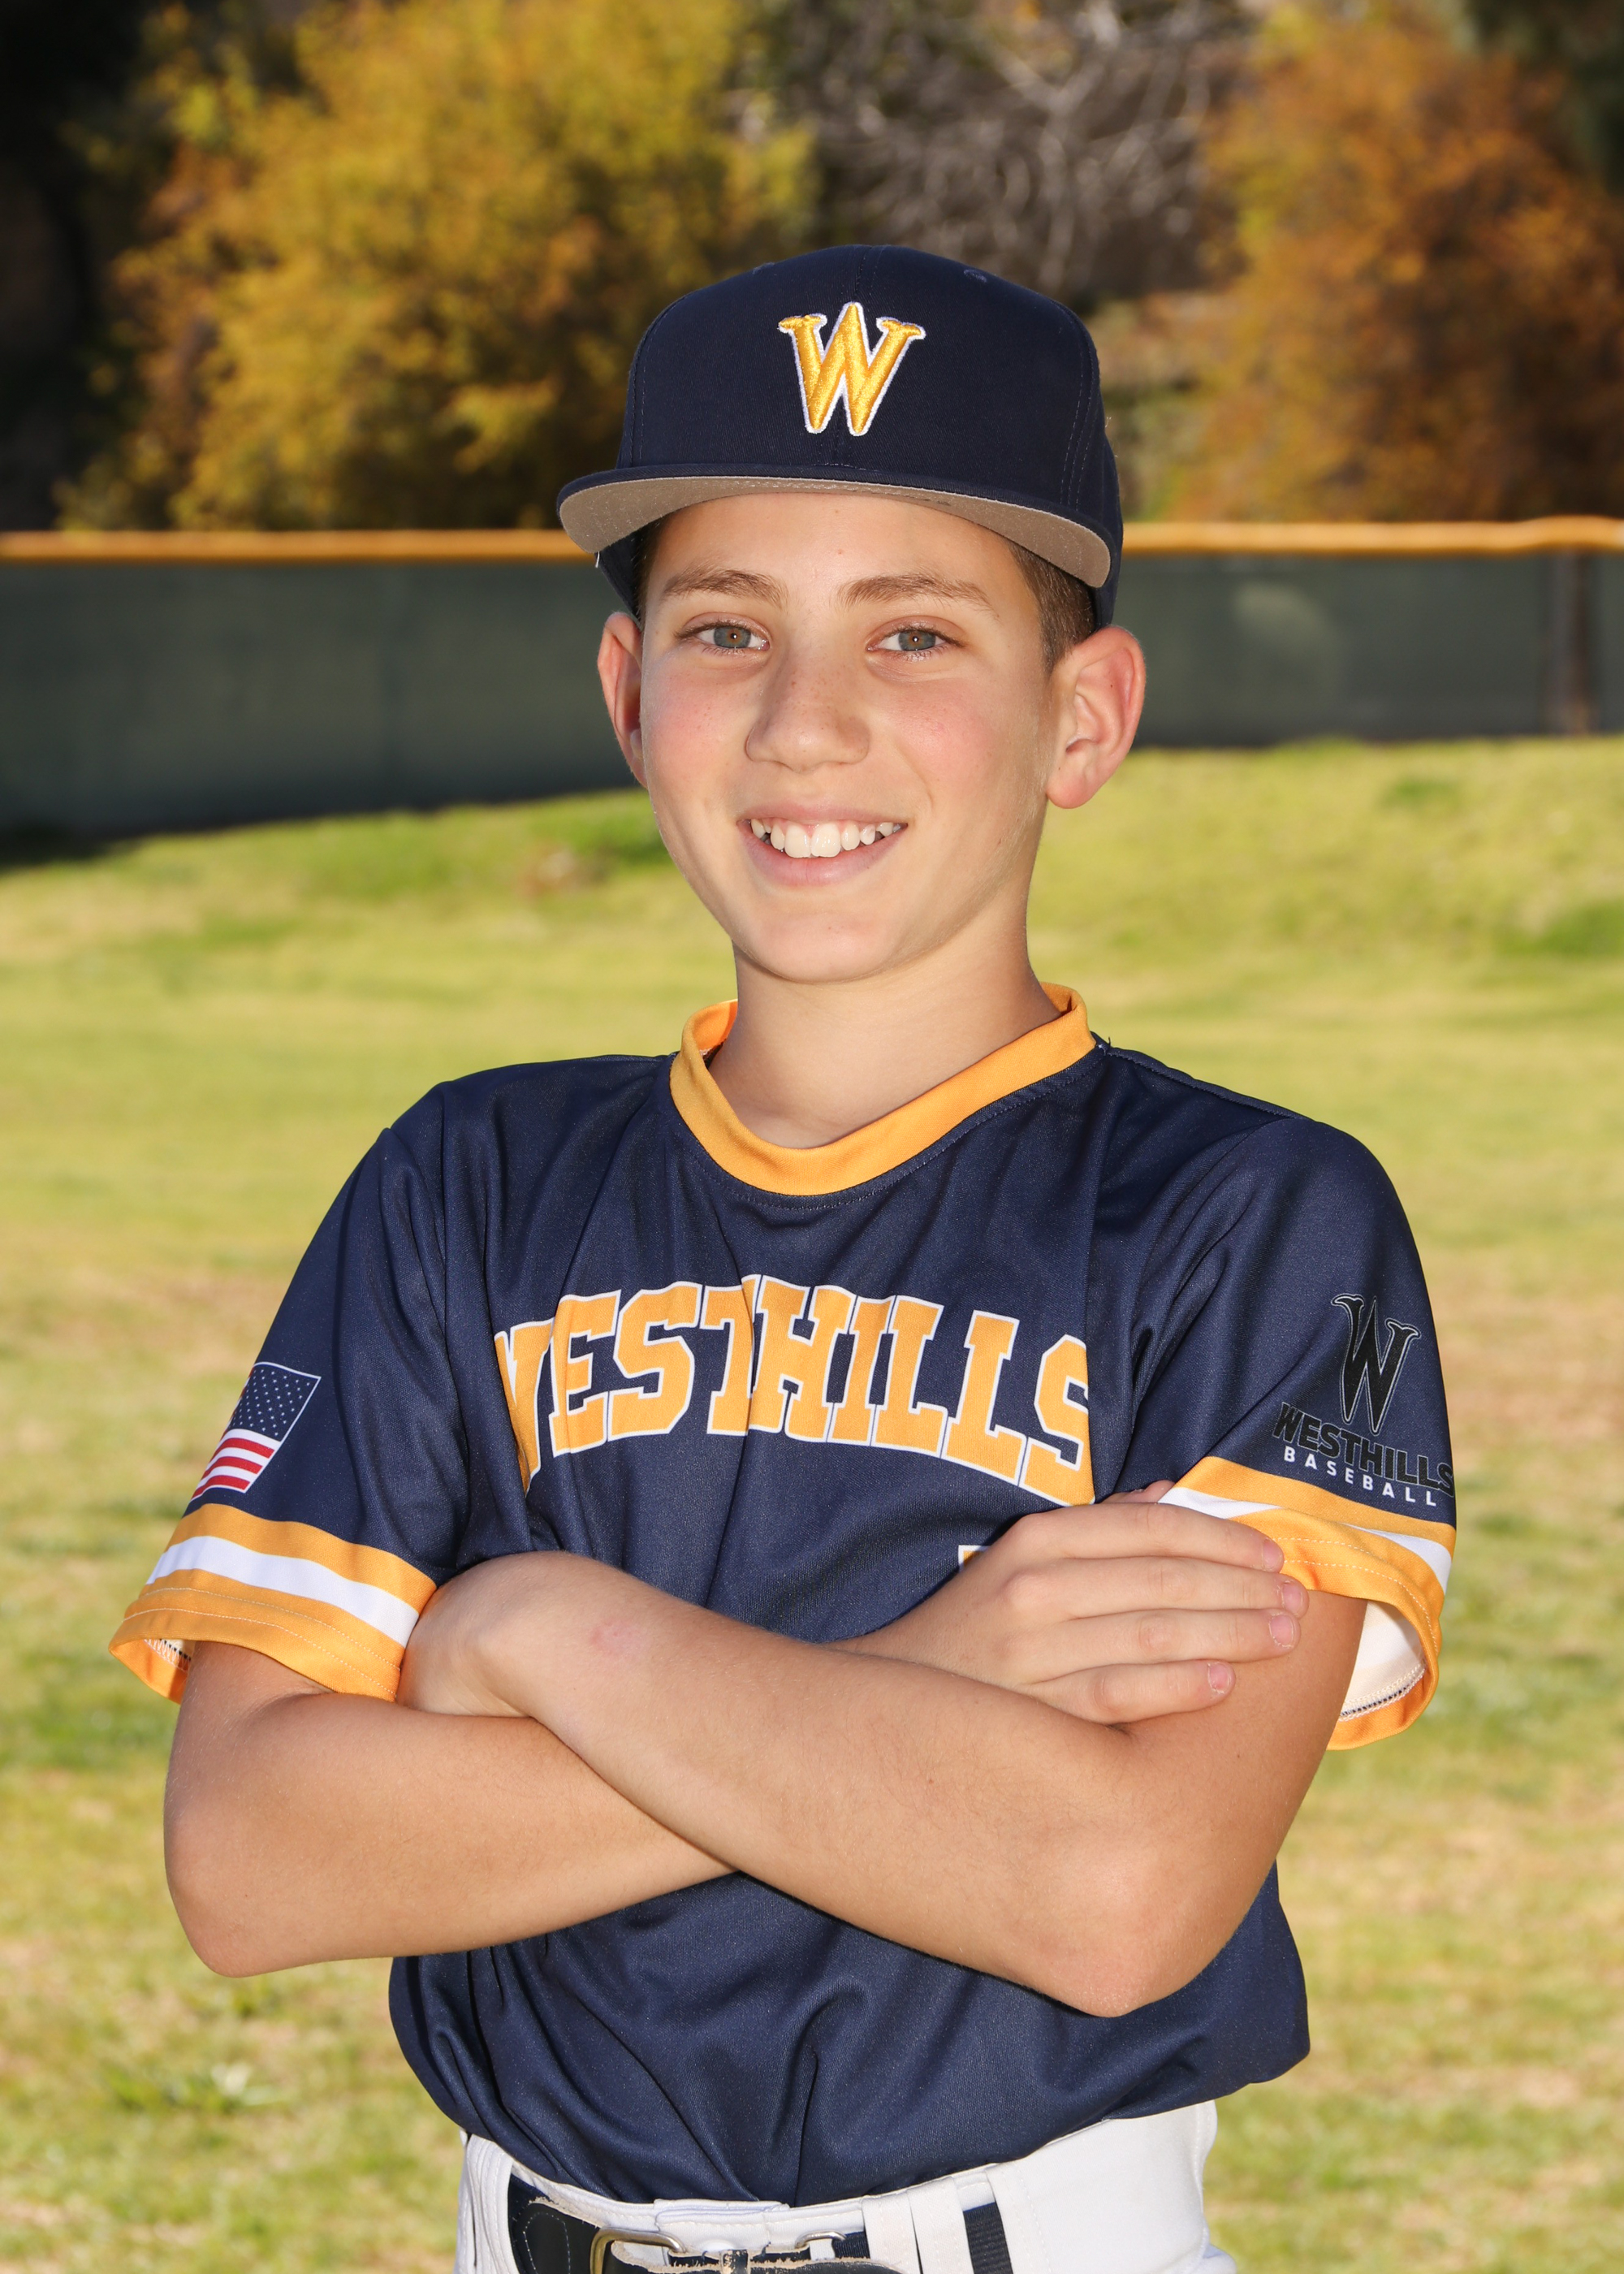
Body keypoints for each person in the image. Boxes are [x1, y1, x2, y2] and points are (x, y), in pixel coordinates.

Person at [112, 246, 1455, 2274]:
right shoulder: (467, 1182)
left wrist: (538, 1632)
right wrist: (930, 1676)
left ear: (1082, 717)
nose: (807, 723)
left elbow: (1110, 1890)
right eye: (728, 628)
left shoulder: (1250, 1216)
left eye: (914, 632)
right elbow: (253, 1857)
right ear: (628, 693)